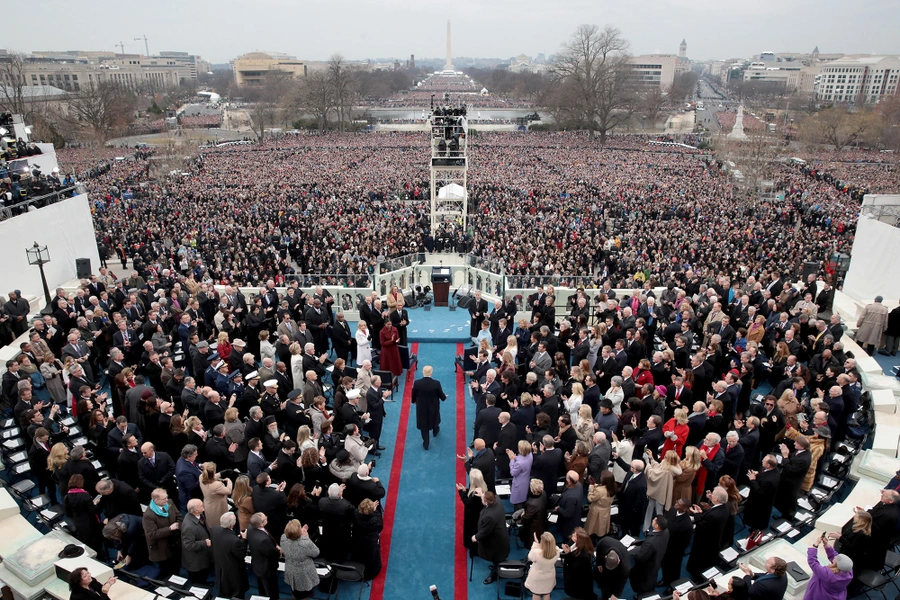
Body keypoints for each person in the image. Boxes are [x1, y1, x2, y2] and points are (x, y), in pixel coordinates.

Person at [686, 487, 730, 581]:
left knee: (700, 562)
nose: (711, 495)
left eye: (712, 495)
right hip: (715, 539)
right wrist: (702, 512)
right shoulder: (725, 507)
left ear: (716, 499)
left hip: (705, 542)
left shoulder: (714, 515)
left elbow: (702, 526)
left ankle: (697, 577)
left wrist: (697, 514)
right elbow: (711, 513)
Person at [142, 488, 183, 579]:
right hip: (162, 547)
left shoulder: (170, 503)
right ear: (156, 500)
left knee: (177, 565)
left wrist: (178, 525)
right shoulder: (148, 515)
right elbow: (151, 534)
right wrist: (169, 529)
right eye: (164, 499)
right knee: (167, 570)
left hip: (175, 543)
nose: (167, 500)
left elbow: (179, 516)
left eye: (166, 497)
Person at [210, 513, 249, 600]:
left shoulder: (215, 530)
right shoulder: (234, 541)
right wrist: (244, 540)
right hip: (234, 575)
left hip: (221, 569)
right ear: (232, 524)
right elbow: (241, 555)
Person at [473, 491, 509, 584]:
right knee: (497, 558)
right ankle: (496, 565)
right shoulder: (497, 499)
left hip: (496, 542)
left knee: (496, 558)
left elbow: (485, 531)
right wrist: (483, 495)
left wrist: (475, 537)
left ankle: (495, 574)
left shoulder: (490, 517)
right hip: (501, 535)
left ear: (486, 502)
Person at [804, 533, 853, 600]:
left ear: (835, 564)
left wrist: (815, 545)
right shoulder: (849, 572)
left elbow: (813, 562)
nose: (835, 556)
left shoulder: (828, 575)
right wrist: (826, 544)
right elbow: (834, 556)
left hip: (819, 596)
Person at [630, 515, 670, 595]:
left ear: (657, 526)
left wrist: (634, 551)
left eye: (654, 520)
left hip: (646, 568)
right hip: (656, 562)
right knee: (651, 580)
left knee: (643, 586)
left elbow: (640, 557)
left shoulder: (650, 542)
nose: (653, 520)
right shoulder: (666, 531)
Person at [63, 474, 104, 552]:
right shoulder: (85, 495)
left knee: (85, 540)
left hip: (78, 522)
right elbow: (93, 510)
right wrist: (96, 504)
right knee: (95, 540)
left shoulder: (66, 497)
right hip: (90, 521)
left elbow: (68, 513)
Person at [281, 519, 320, 599]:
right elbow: (316, 553)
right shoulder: (305, 543)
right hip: (304, 575)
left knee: (295, 593)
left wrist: (300, 535)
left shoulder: (283, 538)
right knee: (304, 596)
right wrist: (306, 537)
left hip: (290, 570)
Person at [411, 365, 446, 449]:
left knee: (423, 425)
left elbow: (413, 394)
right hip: (433, 406)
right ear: (431, 373)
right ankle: (435, 431)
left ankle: (426, 444)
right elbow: (441, 396)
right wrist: (444, 397)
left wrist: (413, 401)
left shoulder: (417, 383)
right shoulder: (436, 383)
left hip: (421, 407)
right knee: (434, 419)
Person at [828, 510, 871, 578]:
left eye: (856, 516)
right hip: (845, 551)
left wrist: (840, 538)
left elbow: (852, 547)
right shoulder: (855, 526)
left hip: (851, 557)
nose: (854, 516)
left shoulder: (862, 534)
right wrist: (840, 535)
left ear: (861, 520)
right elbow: (848, 537)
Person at [248, 512, 281, 600]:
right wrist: (278, 551)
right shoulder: (263, 540)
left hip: (257, 563)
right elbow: (272, 553)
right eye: (265, 518)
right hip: (266, 568)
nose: (267, 517)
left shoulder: (251, 528)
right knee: (271, 589)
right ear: (261, 524)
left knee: (262, 585)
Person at [744, 454, 780, 533]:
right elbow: (763, 472)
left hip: (761, 503)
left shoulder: (770, 480)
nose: (762, 461)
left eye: (763, 461)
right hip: (758, 499)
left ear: (768, 465)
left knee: (757, 519)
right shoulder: (773, 469)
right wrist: (758, 474)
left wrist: (753, 480)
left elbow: (760, 492)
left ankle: (755, 531)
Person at [181, 499, 213, 584]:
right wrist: (205, 543)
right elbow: (189, 545)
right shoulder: (188, 526)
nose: (204, 506)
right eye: (201, 505)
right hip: (196, 560)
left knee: (203, 575)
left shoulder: (199, 515)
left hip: (203, 554)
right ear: (196, 510)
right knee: (197, 580)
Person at [560, 528, 596, 600]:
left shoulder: (584, 556)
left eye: (575, 536)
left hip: (579, 584)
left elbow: (573, 567)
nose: (572, 535)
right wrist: (567, 552)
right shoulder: (572, 542)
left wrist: (568, 554)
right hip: (573, 580)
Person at [352, 498, 384, 580]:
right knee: (371, 556)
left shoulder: (355, 514)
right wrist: (375, 510)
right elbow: (380, 527)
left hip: (358, 539)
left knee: (359, 554)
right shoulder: (375, 518)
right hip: (371, 541)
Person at [524, 531, 559, 600]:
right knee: (547, 593)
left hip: (537, 577)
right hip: (549, 576)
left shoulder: (536, 552)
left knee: (536, 594)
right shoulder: (557, 551)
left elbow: (530, 557)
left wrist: (535, 544)